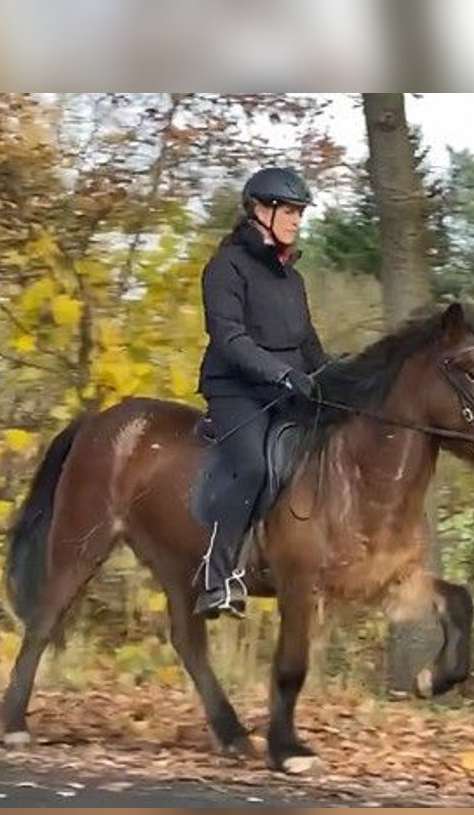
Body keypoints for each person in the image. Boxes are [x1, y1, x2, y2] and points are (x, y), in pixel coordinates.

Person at [194, 165, 328, 619]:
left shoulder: (293, 279)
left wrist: (332, 379)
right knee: (252, 467)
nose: (296, 220)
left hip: (286, 389)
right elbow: (230, 340)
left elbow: (306, 342)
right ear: (259, 210)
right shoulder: (225, 267)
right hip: (237, 390)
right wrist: (281, 374)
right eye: (289, 210)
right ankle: (217, 579)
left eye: (299, 212)